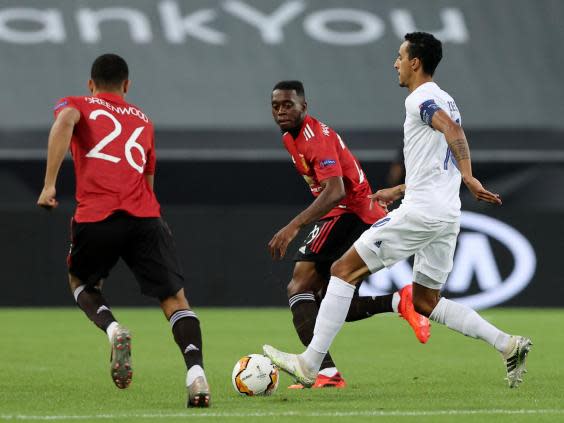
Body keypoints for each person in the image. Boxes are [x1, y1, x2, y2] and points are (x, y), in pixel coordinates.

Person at [264, 33, 532, 389]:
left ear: (415, 62)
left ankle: (312, 365)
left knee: (342, 270)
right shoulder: (448, 100)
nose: (396, 63)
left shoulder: (419, 98)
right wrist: (402, 187)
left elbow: (451, 132)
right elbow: (439, 160)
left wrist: (468, 176)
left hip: (420, 213)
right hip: (446, 214)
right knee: (425, 301)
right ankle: (507, 344)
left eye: (400, 56)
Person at [36, 54, 210, 407]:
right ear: (127, 86)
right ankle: (197, 376)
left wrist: (49, 184)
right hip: (145, 217)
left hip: (97, 215)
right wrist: (156, 221)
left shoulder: (77, 103)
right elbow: (148, 178)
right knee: (175, 301)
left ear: (91, 84)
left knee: (81, 282)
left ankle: (114, 329)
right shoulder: (144, 120)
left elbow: (65, 120)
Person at [268, 80, 430, 389]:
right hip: (353, 211)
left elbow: (335, 191)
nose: (281, 111)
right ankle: (399, 302)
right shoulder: (292, 137)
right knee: (331, 301)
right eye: (275, 106)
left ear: (304, 106)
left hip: (347, 211)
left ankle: (322, 372)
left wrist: (294, 225)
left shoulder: (315, 138)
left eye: (288, 105)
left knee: (299, 284)